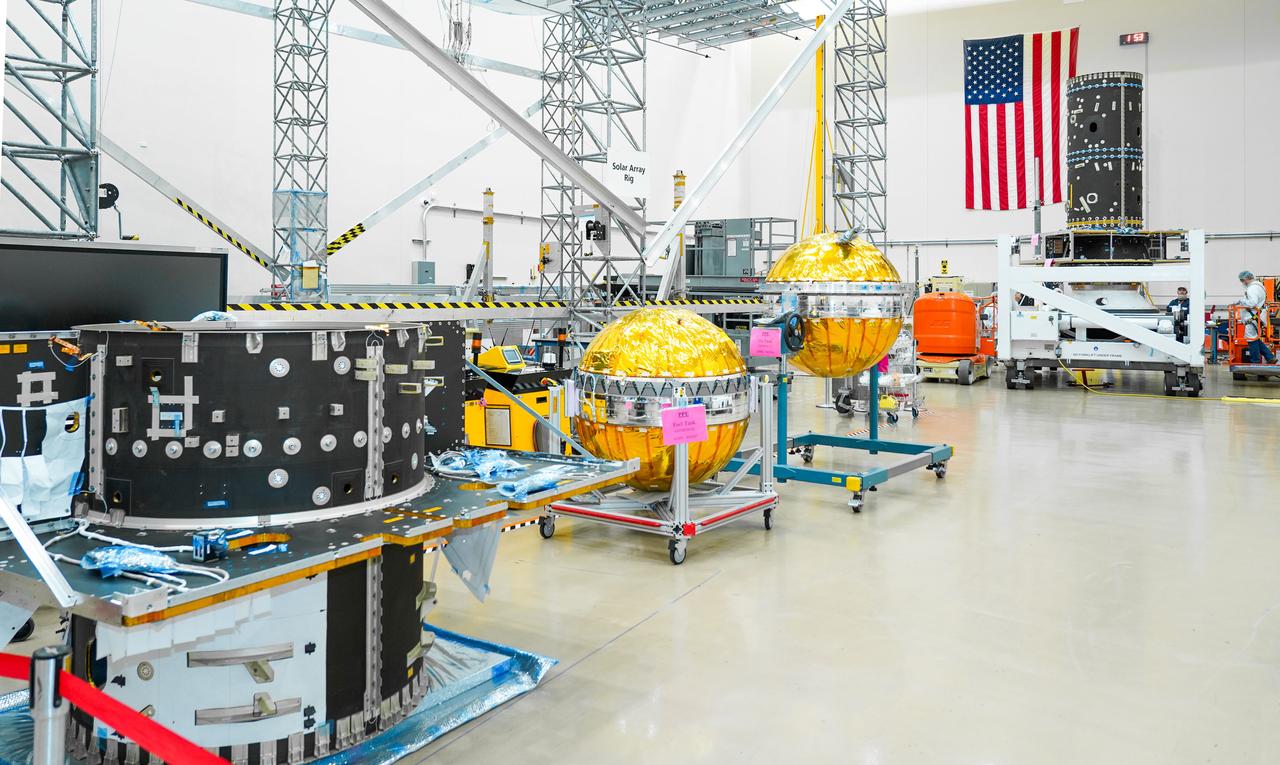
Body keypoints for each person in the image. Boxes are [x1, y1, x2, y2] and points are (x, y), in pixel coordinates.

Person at [1238, 271, 1277, 364]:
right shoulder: (1259, 286)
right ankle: (1270, 357)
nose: (1243, 283)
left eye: (1243, 280)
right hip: (1256, 317)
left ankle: (1255, 361)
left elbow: (1252, 303)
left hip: (1253, 317)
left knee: (1251, 339)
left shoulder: (1252, 288)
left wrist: (1242, 301)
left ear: (1246, 279)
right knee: (1255, 338)